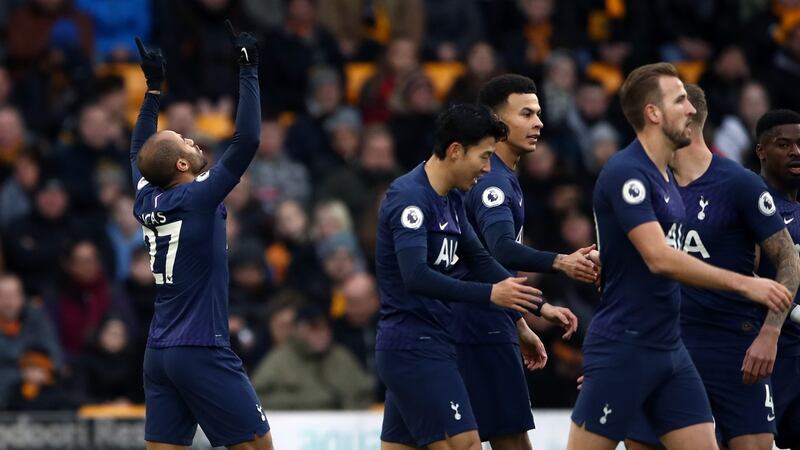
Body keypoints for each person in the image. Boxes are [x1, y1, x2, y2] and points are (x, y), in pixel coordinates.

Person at [567, 62, 793, 450]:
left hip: (687, 347)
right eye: (680, 101)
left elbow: (650, 251)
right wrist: (745, 283)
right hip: (630, 343)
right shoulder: (631, 173)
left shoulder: (676, 182)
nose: (691, 109)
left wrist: (769, 329)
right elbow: (659, 257)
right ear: (653, 113)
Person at [625, 87, 800, 450]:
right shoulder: (643, 185)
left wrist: (769, 334)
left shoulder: (739, 184)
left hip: (732, 347)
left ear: (685, 119)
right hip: (662, 344)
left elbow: (787, 259)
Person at [129, 23, 273, 450]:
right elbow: (248, 140)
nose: (192, 140)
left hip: (159, 352)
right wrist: (249, 70)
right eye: (184, 142)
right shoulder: (197, 197)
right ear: (180, 168)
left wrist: (153, 91)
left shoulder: (144, 198)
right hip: (200, 347)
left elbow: (139, 147)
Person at [375, 103, 544, 450]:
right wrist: (489, 295)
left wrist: (536, 308)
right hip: (413, 345)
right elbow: (416, 276)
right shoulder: (410, 198)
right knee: (466, 443)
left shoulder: (450, 198)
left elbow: (480, 258)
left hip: (433, 341)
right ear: (455, 151)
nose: (486, 168)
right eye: (483, 157)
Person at [447, 74, 594, 450]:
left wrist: (519, 325)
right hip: (481, 328)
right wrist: (560, 262)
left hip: (478, 321)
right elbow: (500, 250)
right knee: (510, 439)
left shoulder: (499, 175)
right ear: (497, 123)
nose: (538, 123)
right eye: (526, 114)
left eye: (539, 114)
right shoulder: (494, 181)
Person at [754, 109, 800, 450]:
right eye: (784, 144)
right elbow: (737, 271)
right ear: (761, 151)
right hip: (768, 350)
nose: (796, 152)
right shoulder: (749, 200)